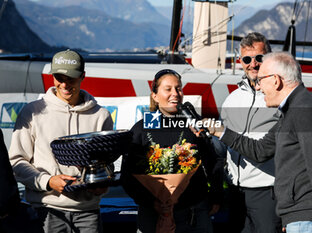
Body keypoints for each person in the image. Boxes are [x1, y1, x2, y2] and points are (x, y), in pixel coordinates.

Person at [208, 52, 312, 233]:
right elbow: (260, 150)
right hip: (300, 216)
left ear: (275, 80)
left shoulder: (305, 111)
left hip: (311, 218)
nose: (258, 88)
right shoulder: (292, 112)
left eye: (260, 81)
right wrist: (221, 132)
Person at [9, 50, 113, 233]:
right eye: (59, 77)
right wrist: (48, 181)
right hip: (46, 210)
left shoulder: (101, 115)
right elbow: (16, 161)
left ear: (83, 76)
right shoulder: (32, 112)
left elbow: (106, 163)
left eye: (70, 78)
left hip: (89, 212)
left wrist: (102, 182)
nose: (64, 84)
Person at [121, 69, 224, 233]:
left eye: (178, 88)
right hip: (152, 214)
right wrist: (151, 202)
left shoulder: (194, 126)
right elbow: (128, 175)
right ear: (154, 95)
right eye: (168, 89)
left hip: (193, 212)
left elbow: (213, 161)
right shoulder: (141, 128)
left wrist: (216, 195)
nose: (175, 94)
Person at [220, 32, 282, 233]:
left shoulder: (280, 98)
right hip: (235, 194)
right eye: (247, 59)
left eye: (259, 58)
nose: (253, 64)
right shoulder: (232, 99)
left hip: (267, 193)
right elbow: (222, 146)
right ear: (240, 61)